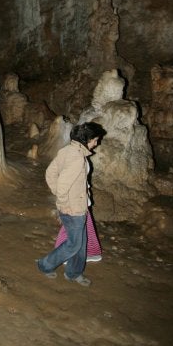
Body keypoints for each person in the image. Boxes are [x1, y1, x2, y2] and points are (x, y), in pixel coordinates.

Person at [36, 122, 105, 286]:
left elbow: (50, 173)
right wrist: (63, 202)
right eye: (95, 140)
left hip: (77, 205)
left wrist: (58, 195)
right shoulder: (77, 159)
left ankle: (74, 273)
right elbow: (63, 185)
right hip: (74, 209)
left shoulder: (67, 150)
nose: (96, 143)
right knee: (74, 245)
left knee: (80, 242)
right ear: (87, 140)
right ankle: (45, 265)